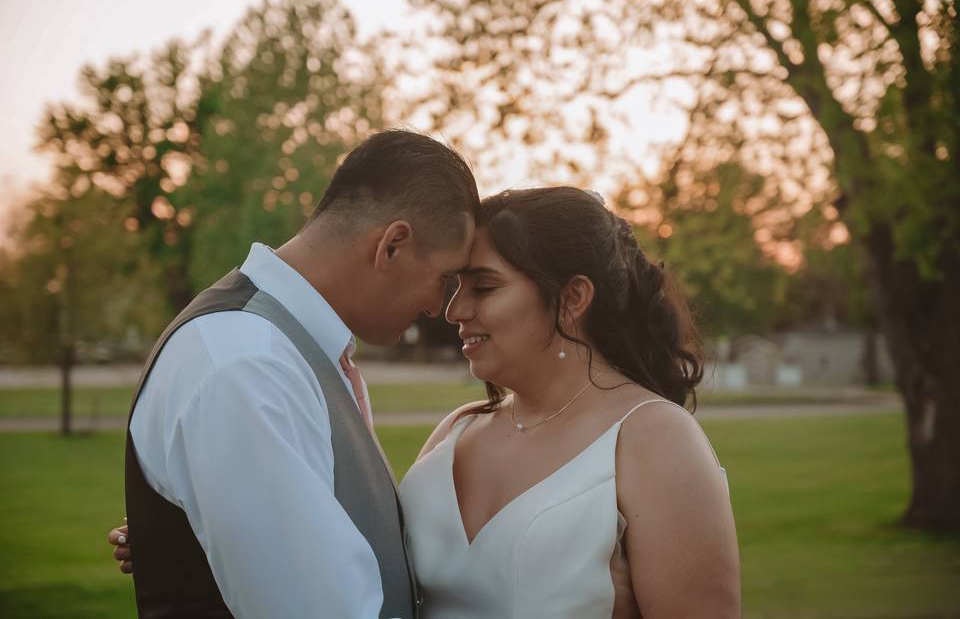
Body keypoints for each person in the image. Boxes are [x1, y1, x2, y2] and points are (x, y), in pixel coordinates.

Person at [111, 186, 741, 617]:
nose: (454, 311)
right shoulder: (456, 433)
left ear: (572, 299)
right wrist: (216, 522)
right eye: (454, 287)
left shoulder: (654, 441)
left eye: (484, 288)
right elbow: (362, 564)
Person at [113, 129, 479, 618]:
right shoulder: (246, 364)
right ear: (392, 246)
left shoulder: (291, 350)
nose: (440, 306)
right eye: (444, 279)